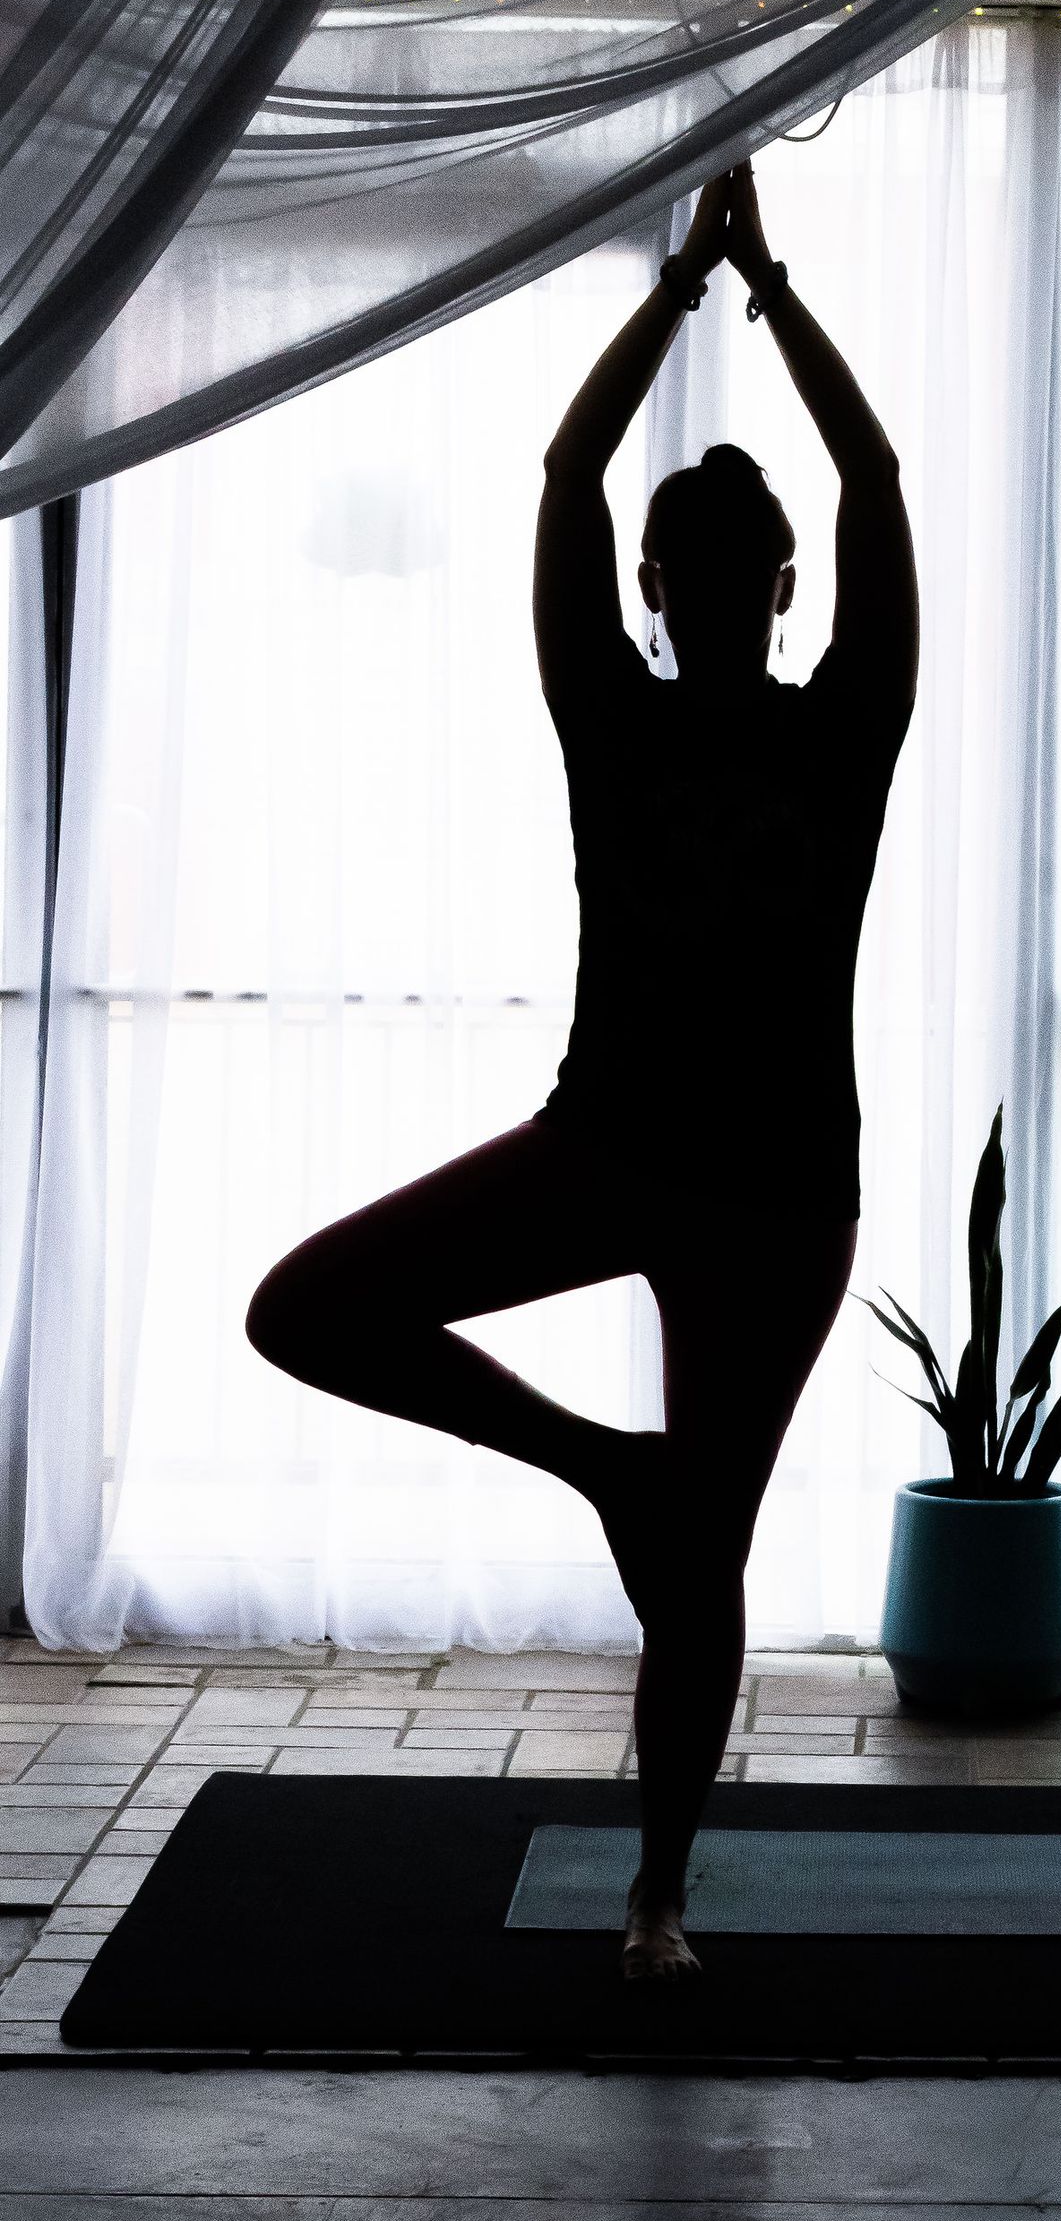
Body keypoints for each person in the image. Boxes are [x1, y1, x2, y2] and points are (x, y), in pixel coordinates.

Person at [247, 163, 917, 1982]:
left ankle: (660, 1895)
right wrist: (729, 294)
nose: (706, 588)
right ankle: (606, 1487)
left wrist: (731, 294)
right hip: (615, 1145)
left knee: (705, 1545)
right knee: (307, 1308)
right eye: (685, 567)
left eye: (725, 567)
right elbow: (633, 485)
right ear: (672, 585)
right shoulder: (629, 716)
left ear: (760, 586)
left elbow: (855, 489)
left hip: (771, 1194)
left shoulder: (824, 728)